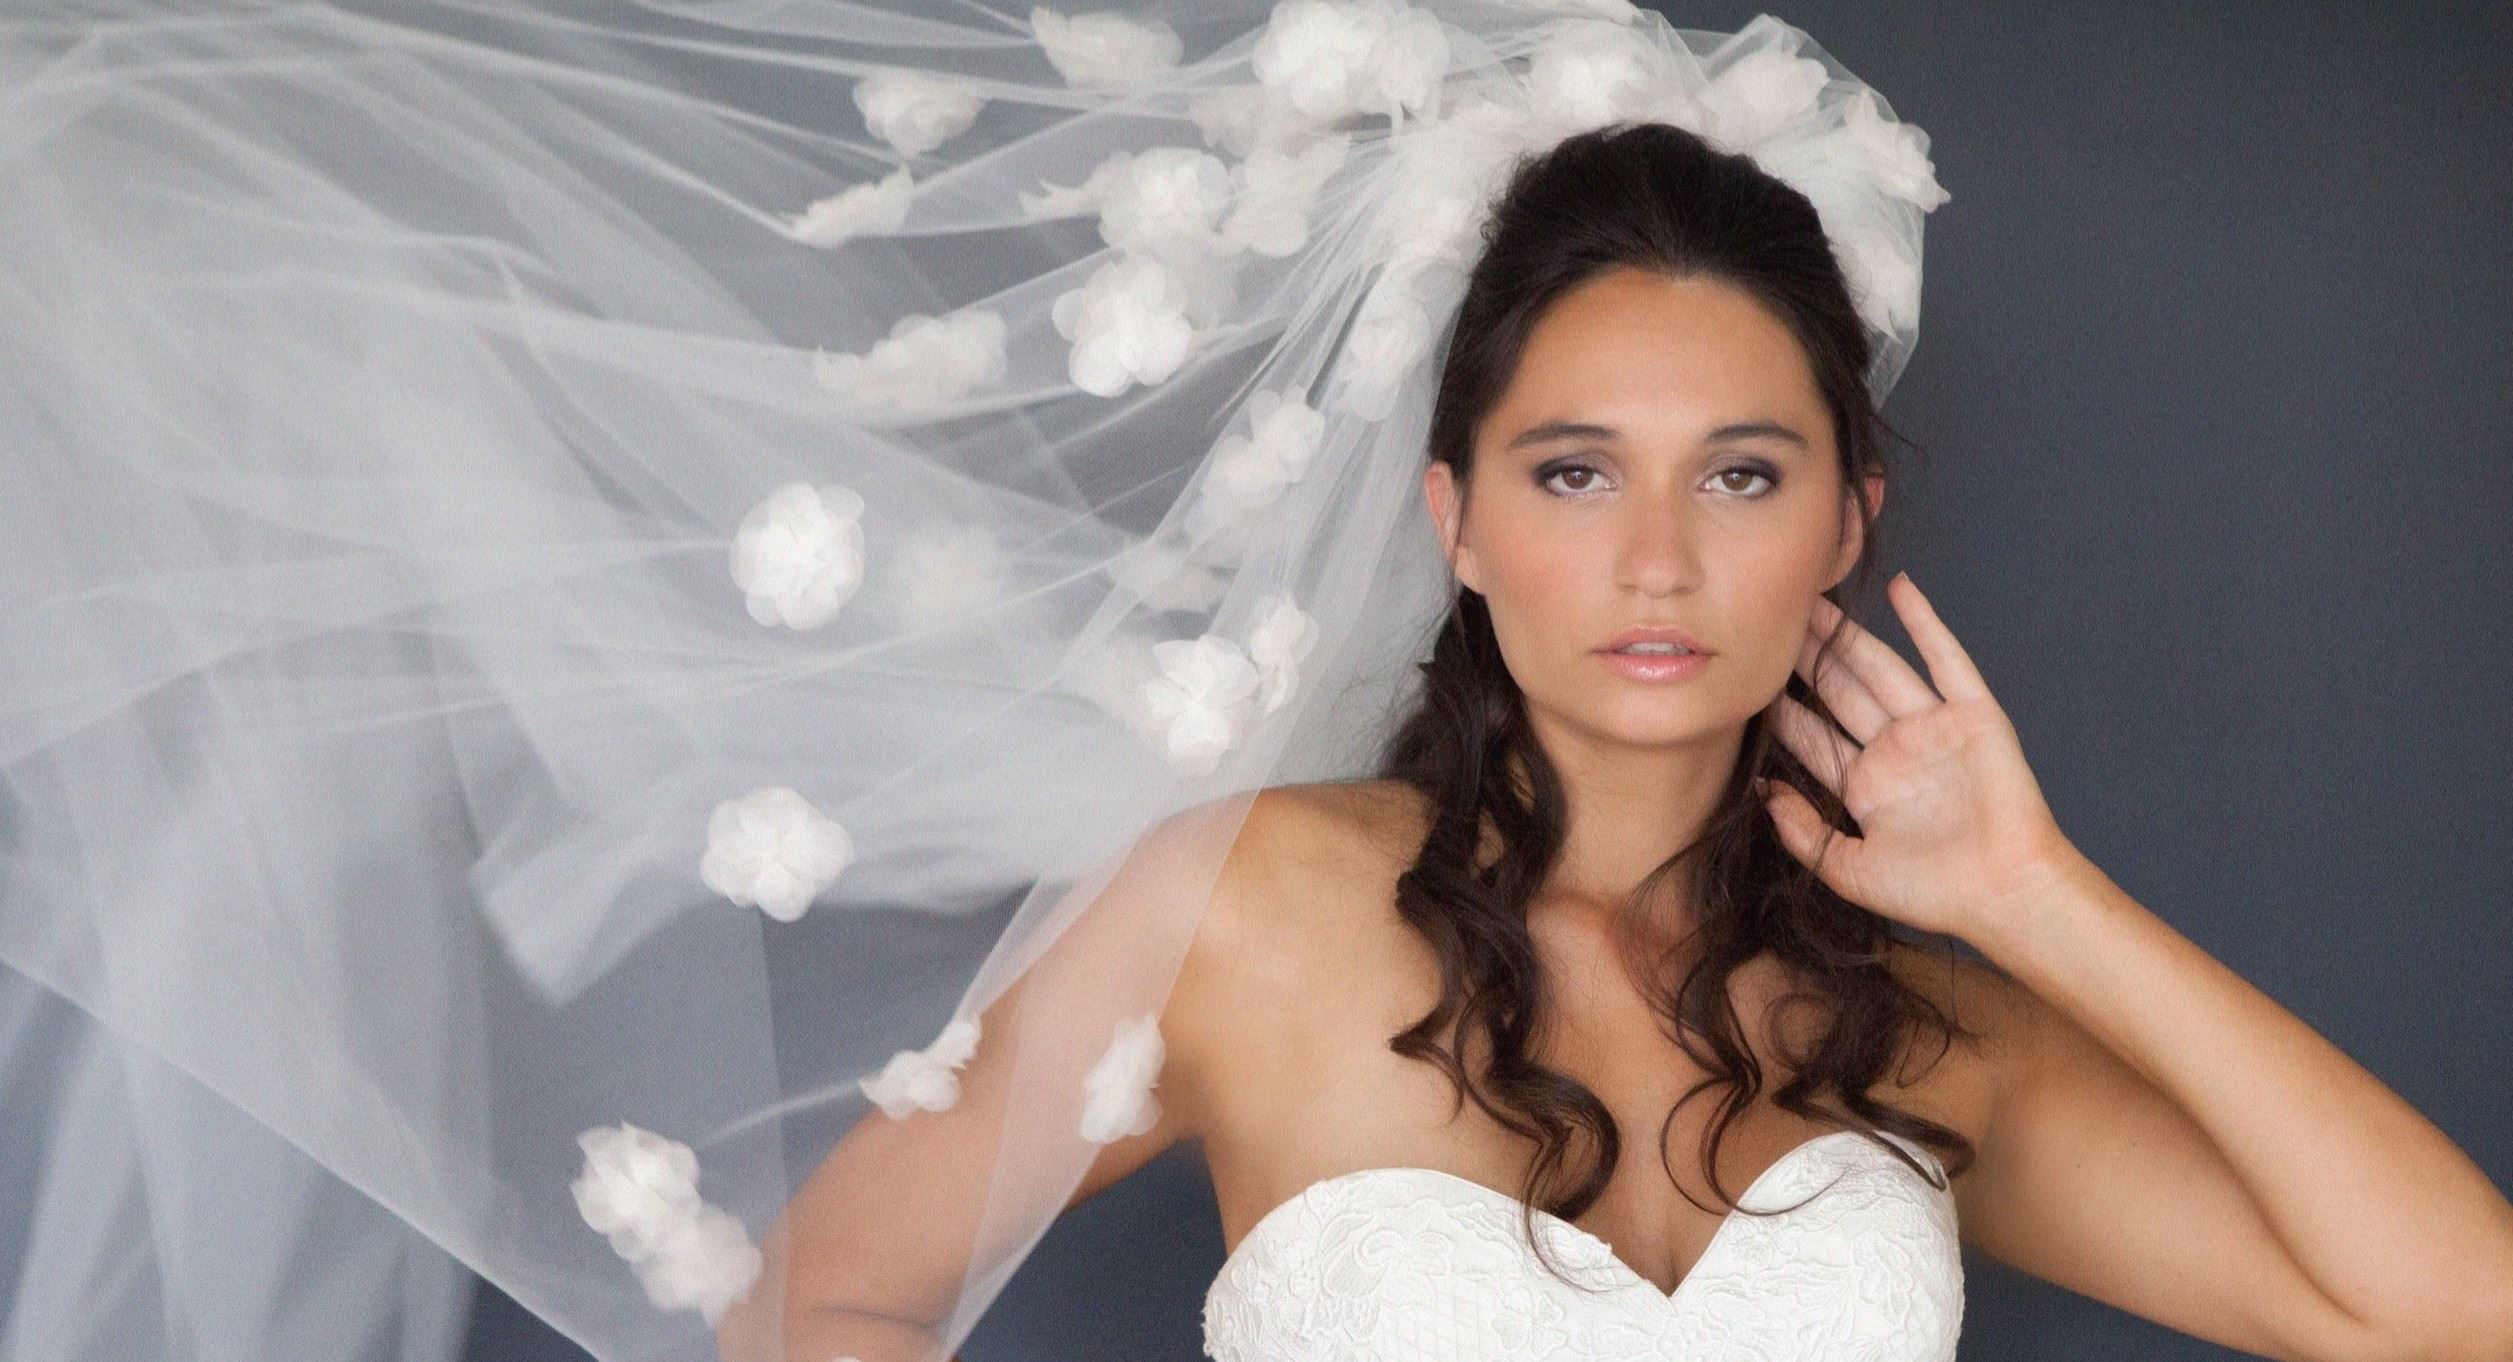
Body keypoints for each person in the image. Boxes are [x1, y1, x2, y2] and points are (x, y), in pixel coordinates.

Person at [3, 5, 2507, 1362]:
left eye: (1744, 477)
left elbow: (2453, 1307)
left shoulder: (1907, 1029)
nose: (1654, 556)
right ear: (1449, 518)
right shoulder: (1241, 905)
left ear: (1852, 523)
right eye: (1569, 471)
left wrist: (2046, 898)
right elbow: (829, 1300)